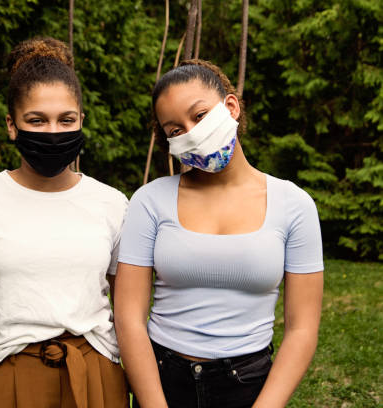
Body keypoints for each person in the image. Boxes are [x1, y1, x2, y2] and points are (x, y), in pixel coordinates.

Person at [114, 60, 324, 408]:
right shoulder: (149, 201)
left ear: (231, 106)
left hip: (248, 385)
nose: (191, 132)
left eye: (199, 116)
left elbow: (302, 329)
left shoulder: (294, 205)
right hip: (164, 381)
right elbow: (129, 319)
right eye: (175, 129)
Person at [0, 37, 129, 408]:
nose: (53, 132)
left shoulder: (112, 203)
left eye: (66, 120)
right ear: (12, 125)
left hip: (96, 375)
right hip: (7, 373)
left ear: (81, 121)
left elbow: (127, 304)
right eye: (36, 120)